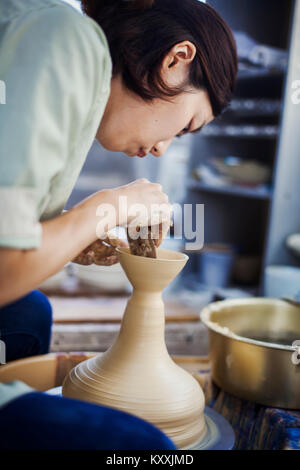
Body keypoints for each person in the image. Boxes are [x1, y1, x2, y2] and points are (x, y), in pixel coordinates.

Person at [0, 0, 237, 449]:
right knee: (144, 448)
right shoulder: (66, 38)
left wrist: (81, 236)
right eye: (185, 125)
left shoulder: (77, 80)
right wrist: (106, 208)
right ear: (174, 60)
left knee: (30, 314)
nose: (164, 148)